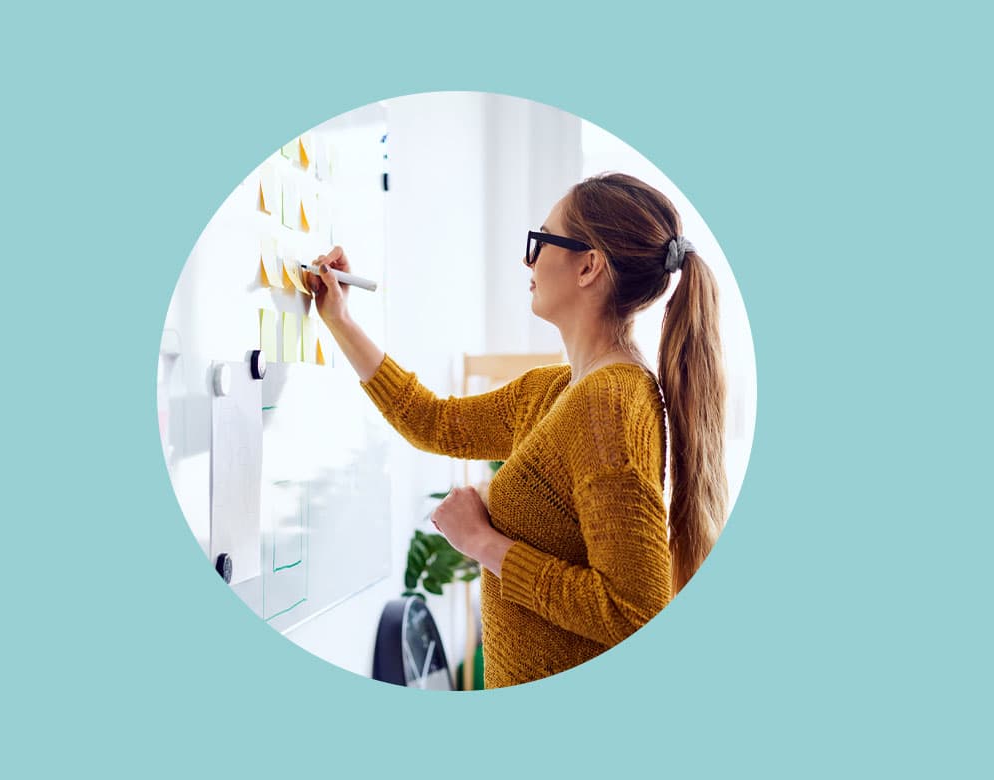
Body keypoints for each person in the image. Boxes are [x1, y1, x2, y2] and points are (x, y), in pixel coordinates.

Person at [304, 172, 728, 688]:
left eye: (541, 241)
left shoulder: (609, 405)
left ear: (588, 265)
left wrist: (484, 543)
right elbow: (433, 421)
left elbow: (636, 613)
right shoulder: (559, 391)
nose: (529, 260)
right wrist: (340, 319)